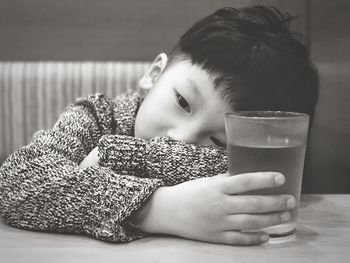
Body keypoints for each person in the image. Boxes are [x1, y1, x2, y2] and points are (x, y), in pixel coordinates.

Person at [0, 5, 318, 246]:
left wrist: (116, 156)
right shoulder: (96, 116)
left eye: (218, 142)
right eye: (182, 103)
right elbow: (17, 183)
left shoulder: (251, 157)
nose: (181, 139)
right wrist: (158, 209)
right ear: (154, 74)